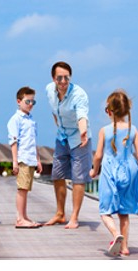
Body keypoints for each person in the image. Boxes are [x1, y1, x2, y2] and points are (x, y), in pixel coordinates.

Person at [89, 89, 138, 257]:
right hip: (130, 170)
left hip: (110, 170)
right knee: (124, 212)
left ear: (109, 111)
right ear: (126, 110)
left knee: (105, 211)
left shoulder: (104, 130)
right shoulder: (133, 130)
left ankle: (116, 235)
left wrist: (94, 170)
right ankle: (124, 247)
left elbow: (98, 155)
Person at [44, 61, 91, 229]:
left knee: (78, 178)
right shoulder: (49, 89)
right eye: (59, 78)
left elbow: (82, 115)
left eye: (66, 78)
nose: (63, 81)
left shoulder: (79, 94)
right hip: (62, 136)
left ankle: (74, 217)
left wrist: (83, 131)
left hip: (79, 138)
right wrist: (58, 125)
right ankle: (59, 214)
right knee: (57, 175)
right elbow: (54, 111)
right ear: (53, 78)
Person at [7, 86, 43, 229]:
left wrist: (38, 160)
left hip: (31, 158)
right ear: (19, 101)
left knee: (26, 188)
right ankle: (19, 218)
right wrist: (15, 161)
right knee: (22, 188)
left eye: (33, 102)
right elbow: (13, 141)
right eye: (27, 101)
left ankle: (24, 215)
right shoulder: (16, 119)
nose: (30, 105)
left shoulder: (31, 120)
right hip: (22, 158)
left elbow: (34, 141)